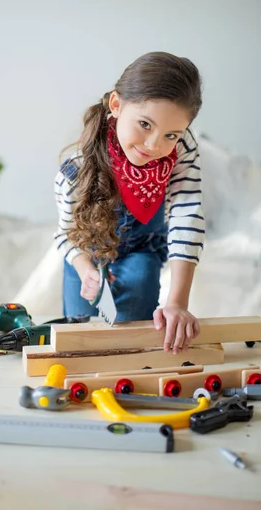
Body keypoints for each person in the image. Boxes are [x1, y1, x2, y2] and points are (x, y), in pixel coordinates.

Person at [54, 51, 204, 353]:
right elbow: (65, 235)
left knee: (134, 330)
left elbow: (186, 215)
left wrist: (177, 303)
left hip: (142, 247)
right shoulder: (74, 170)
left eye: (171, 134)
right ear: (116, 105)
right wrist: (86, 271)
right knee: (78, 339)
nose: (153, 146)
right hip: (86, 253)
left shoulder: (183, 148)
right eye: (145, 125)